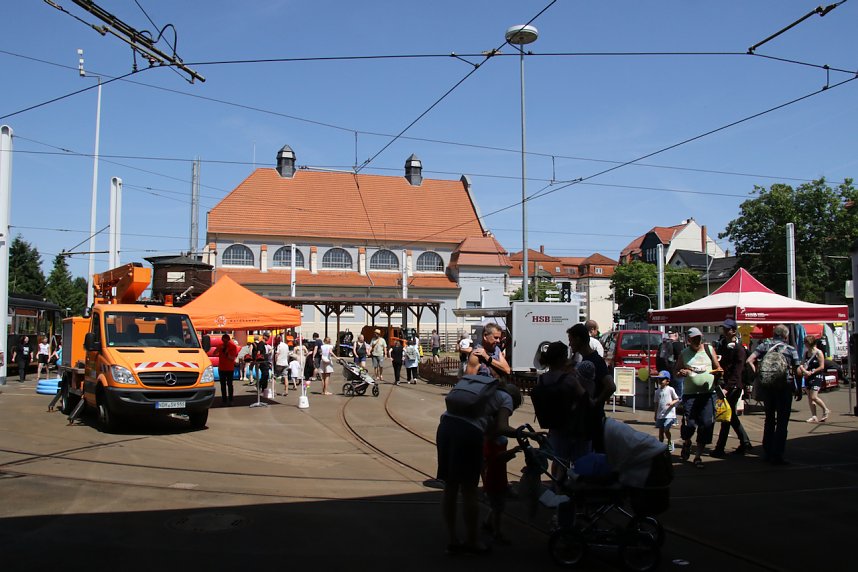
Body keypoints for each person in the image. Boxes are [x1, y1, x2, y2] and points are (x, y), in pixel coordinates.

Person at [436, 380, 524, 556]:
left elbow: (490, 429)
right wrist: (526, 434)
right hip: (468, 433)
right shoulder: (506, 398)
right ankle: (472, 541)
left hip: (445, 425)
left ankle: (453, 540)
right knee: (469, 489)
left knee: (451, 486)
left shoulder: (485, 393)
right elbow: (502, 427)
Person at [746, 324, 801, 465]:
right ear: (785, 336)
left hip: (768, 387)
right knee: (782, 421)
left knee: (769, 419)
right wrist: (798, 388)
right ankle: (778, 454)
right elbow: (798, 371)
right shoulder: (790, 349)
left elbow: (749, 360)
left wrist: (758, 372)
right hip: (784, 387)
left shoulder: (764, 345)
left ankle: (767, 451)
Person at [480, 385, 523, 546]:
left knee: (497, 504)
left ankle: (487, 523)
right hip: (495, 479)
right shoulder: (492, 437)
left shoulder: (492, 432)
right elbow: (495, 458)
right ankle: (497, 532)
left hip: (498, 477)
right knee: (499, 507)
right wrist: (511, 452)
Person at [675, 327, 722, 468]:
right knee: (690, 425)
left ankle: (698, 456)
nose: (697, 341)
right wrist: (681, 372)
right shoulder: (684, 353)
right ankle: (687, 442)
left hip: (708, 394)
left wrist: (718, 372)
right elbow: (676, 371)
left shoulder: (709, 350)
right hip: (690, 395)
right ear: (688, 340)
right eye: (694, 339)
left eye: (699, 338)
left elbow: (718, 367)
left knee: (706, 425)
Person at [711, 318, 752, 457]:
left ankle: (720, 448)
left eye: (728, 329)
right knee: (731, 416)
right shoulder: (724, 347)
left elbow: (737, 372)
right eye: (724, 329)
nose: (725, 331)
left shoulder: (740, 349)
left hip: (733, 387)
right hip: (726, 385)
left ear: (734, 331)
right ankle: (745, 442)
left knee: (726, 416)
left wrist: (727, 388)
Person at [799, 334, 829, 423]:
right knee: (809, 397)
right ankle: (814, 416)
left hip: (817, 376)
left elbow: (822, 366)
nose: (805, 344)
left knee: (814, 396)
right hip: (808, 376)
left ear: (810, 343)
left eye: (806, 342)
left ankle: (825, 409)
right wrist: (805, 371)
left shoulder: (818, 352)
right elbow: (801, 364)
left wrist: (812, 371)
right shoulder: (806, 352)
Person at [653, 370, 679, 452]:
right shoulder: (657, 391)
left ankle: (670, 442)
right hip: (660, 414)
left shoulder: (670, 389)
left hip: (669, 414)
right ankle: (660, 446)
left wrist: (672, 403)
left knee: (666, 429)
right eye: (659, 379)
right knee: (661, 431)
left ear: (667, 381)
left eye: (662, 379)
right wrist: (655, 414)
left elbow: (677, 399)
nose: (660, 381)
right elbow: (656, 403)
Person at [217, 334, 239, 405]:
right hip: (221, 368)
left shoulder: (232, 347)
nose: (224, 342)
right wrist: (219, 349)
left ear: (228, 340)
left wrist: (226, 353)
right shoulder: (220, 345)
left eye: (226, 341)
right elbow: (215, 352)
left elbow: (232, 358)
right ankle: (224, 400)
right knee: (222, 385)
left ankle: (231, 400)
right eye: (223, 341)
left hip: (229, 368)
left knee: (229, 384)